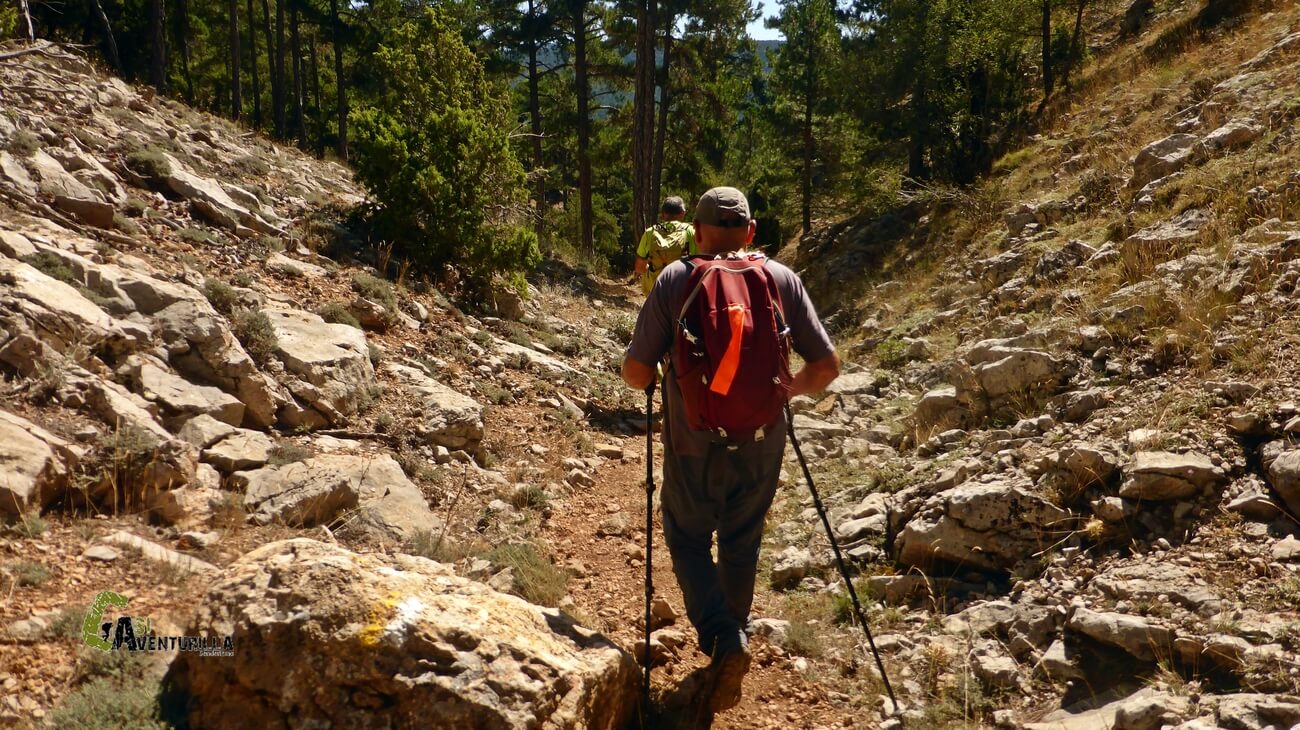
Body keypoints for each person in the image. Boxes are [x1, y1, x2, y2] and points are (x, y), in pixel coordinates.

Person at [620, 187, 840, 714]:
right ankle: (730, 643)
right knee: (741, 542)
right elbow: (826, 367)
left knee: (688, 537)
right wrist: (785, 389)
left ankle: (723, 639)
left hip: (693, 444)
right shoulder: (781, 279)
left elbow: (634, 373)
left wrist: (660, 372)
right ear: (752, 231)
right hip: (763, 441)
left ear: (695, 234)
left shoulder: (677, 279)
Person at [634, 196, 697, 296]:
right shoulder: (691, 232)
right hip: (682, 290)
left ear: (663, 214)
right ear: (682, 214)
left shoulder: (650, 232)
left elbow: (639, 268)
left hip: (655, 290)